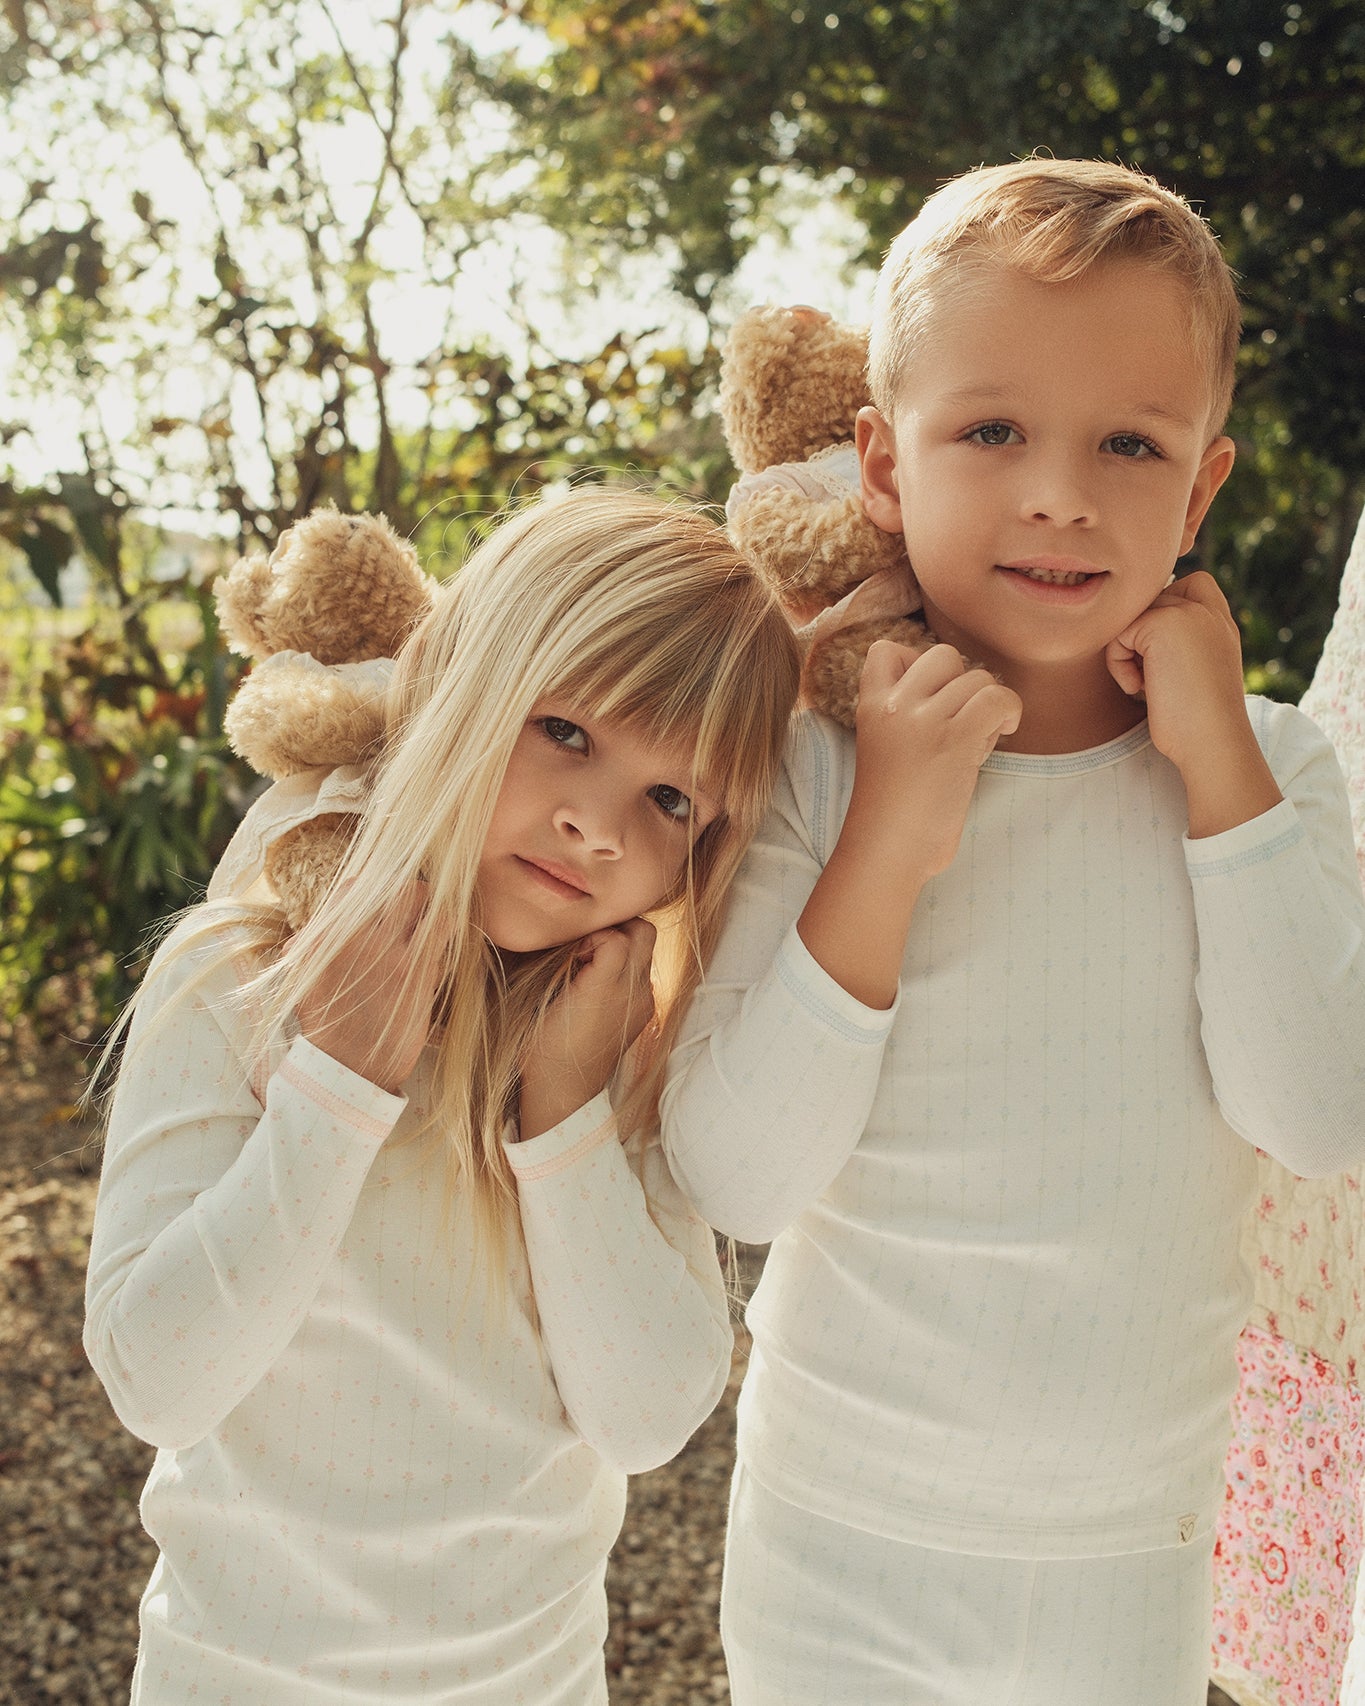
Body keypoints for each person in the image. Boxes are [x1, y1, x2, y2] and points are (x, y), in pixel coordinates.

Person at [660, 158, 1365, 1705]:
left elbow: (1313, 1113)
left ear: (1201, 487)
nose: (1060, 489)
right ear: (882, 464)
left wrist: (1218, 772)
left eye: (1130, 442)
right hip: (838, 1538)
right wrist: (892, 835)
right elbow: (735, 1174)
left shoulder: (1271, 773)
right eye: (991, 430)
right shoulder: (815, 766)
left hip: (1131, 1549)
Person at [83, 487, 801, 1705]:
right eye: (566, 729)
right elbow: (158, 1377)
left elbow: (645, 1416)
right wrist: (338, 1089)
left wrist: (564, 1116)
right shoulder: (242, 974)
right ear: (456, 682)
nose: (595, 824)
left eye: (671, 800)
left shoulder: (618, 1041)